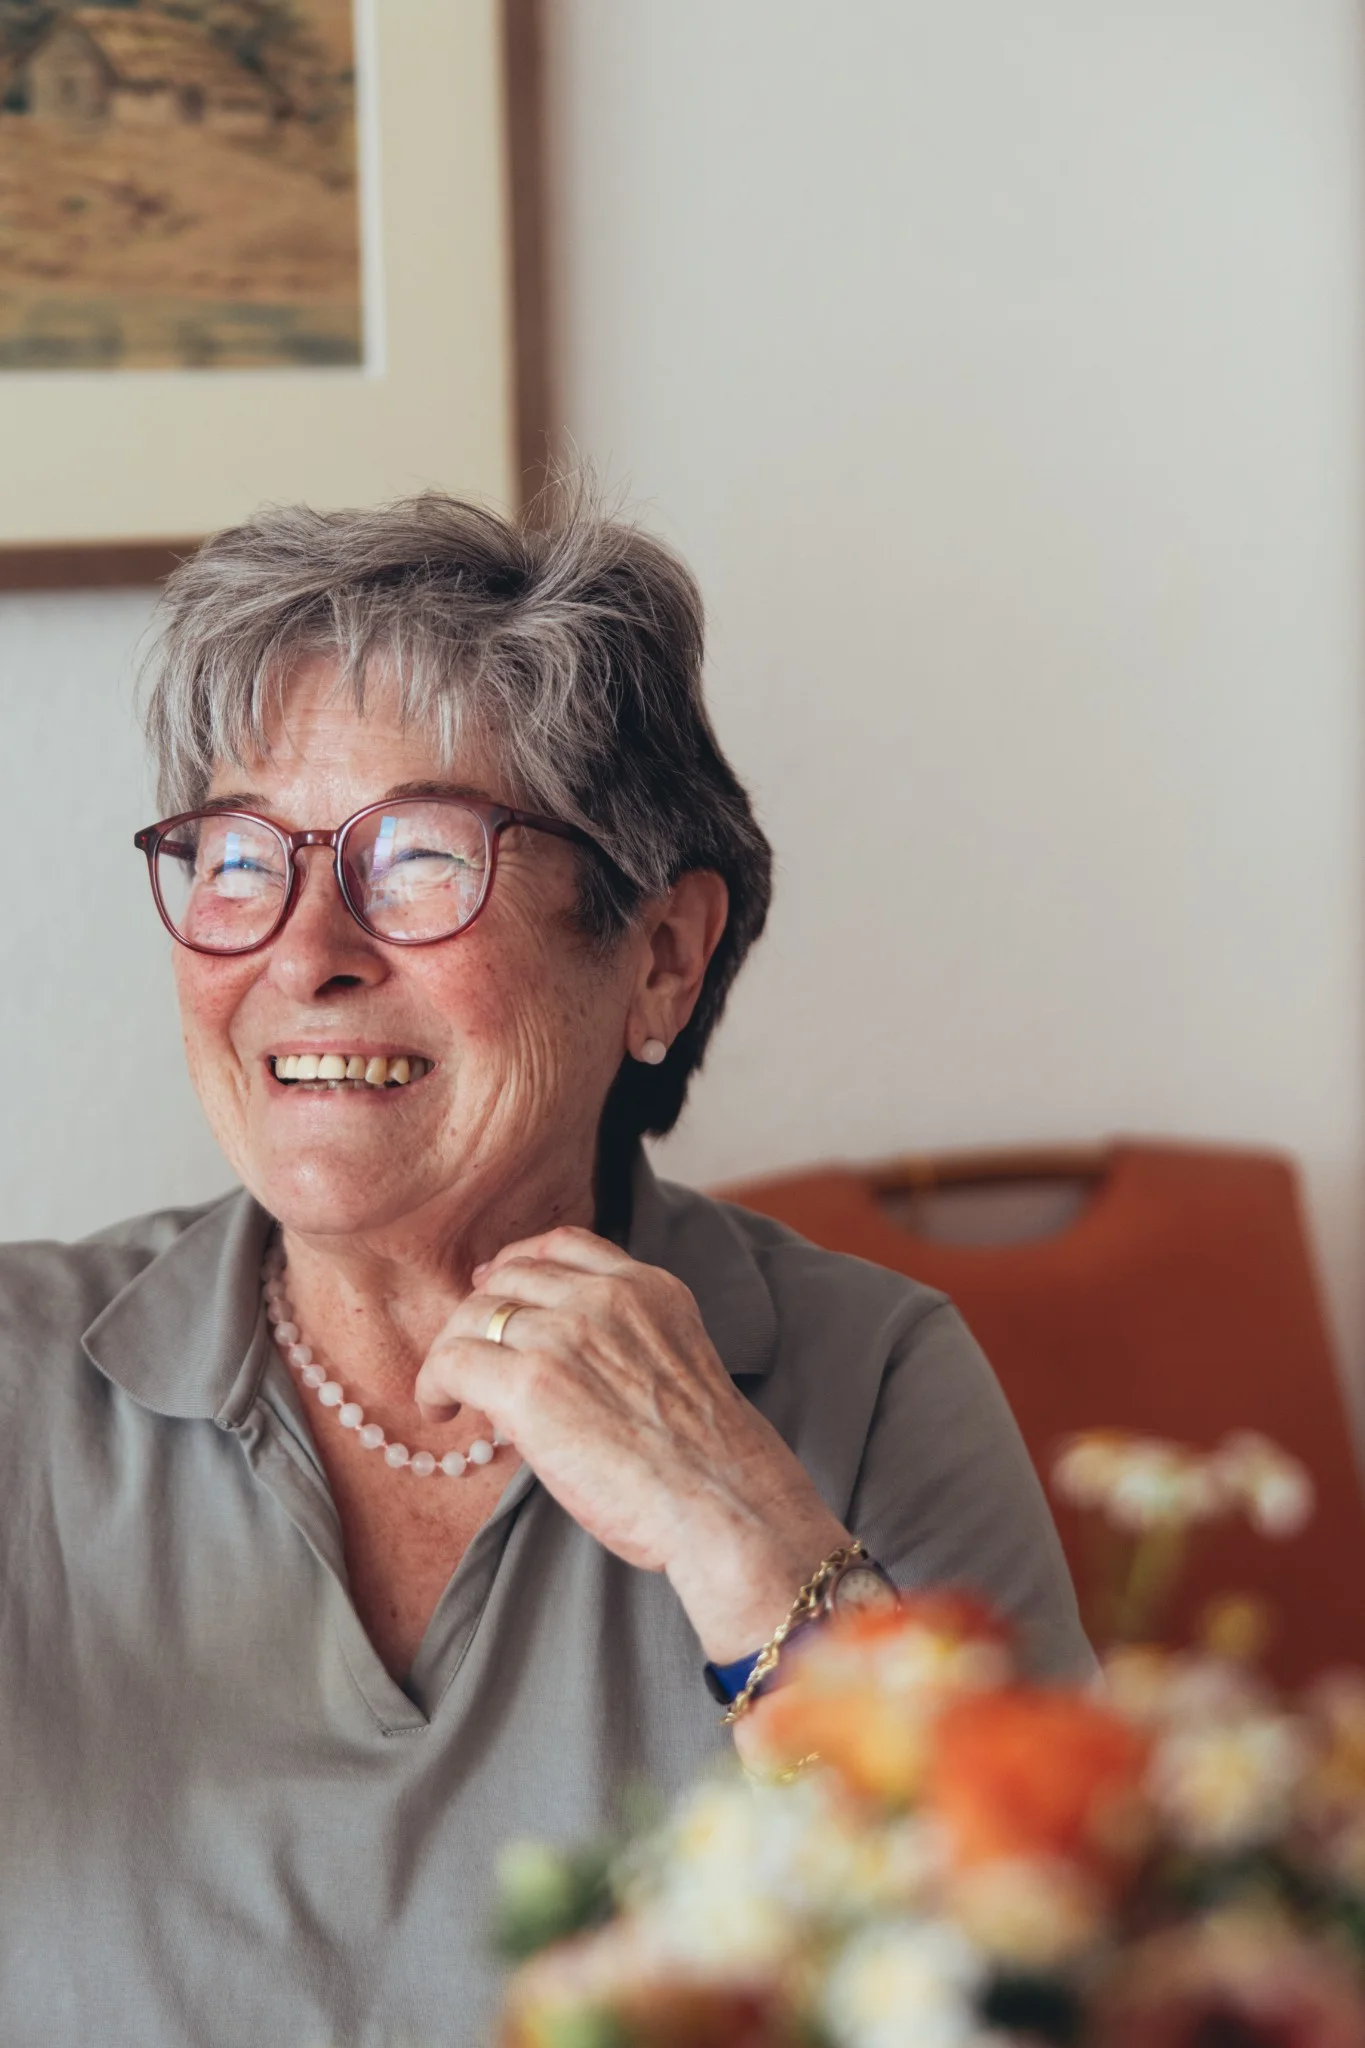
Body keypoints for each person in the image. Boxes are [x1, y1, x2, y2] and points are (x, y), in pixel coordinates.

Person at [0, 487, 1089, 2045]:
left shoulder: (871, 1380)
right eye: (239, 858)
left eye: (422, 855)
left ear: (659, 955)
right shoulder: (18, 1371)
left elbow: (1056, 2001)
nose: (305, 949)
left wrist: (741, 1524)